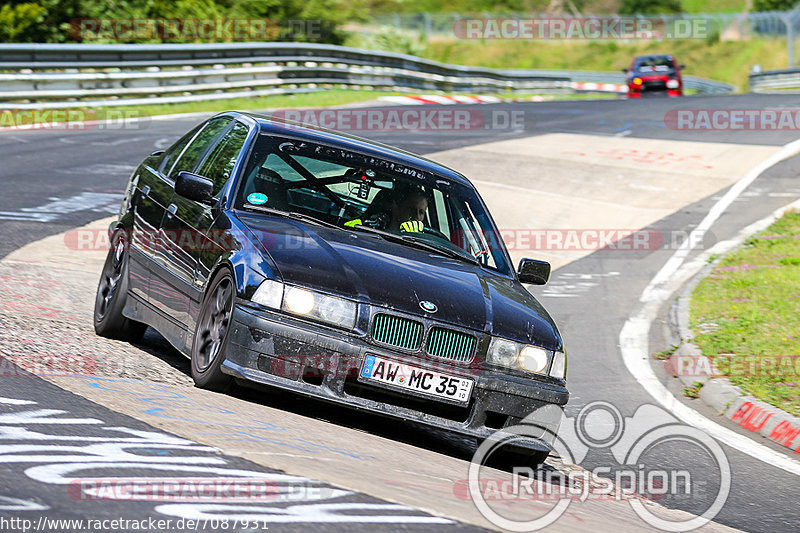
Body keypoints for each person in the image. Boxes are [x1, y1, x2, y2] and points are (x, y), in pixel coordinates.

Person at [346, 183, 428, 233]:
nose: (416, 216)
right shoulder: (365, 228)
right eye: (411, 209)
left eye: (421, 212)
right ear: (395, 207)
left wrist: (415, 237)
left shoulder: (424, 243)